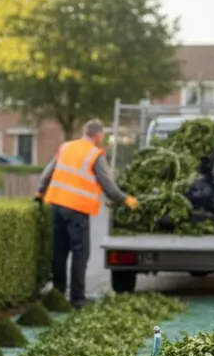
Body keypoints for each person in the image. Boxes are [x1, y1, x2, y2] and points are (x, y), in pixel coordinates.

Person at [35, 120, 138, 308]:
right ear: (98, 136)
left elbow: (47, 173)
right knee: (80, 253)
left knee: (59, 252)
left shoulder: (66, 147)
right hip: (76, 210)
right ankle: (77, 299)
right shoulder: (94, 154)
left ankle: (57, 296)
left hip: (56, 205)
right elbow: (107, 184)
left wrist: (40, 192)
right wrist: (124, 199)